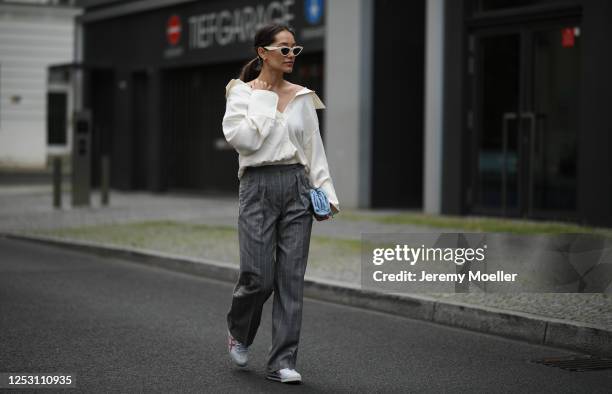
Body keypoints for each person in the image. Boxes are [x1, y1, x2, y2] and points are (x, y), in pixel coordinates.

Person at [222, 22, 340, 384]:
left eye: (295, 49)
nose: (291, 55)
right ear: (263, 52)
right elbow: (243, 141)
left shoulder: (304, 97)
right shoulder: (241, 93)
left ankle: (282, 361)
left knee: (291, 279)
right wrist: (263, 98)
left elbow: (312, 149)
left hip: (297, 187)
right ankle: (240, 333)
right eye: (284, 49)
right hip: (257, 186)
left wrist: (326, 192)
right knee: (258, 277)